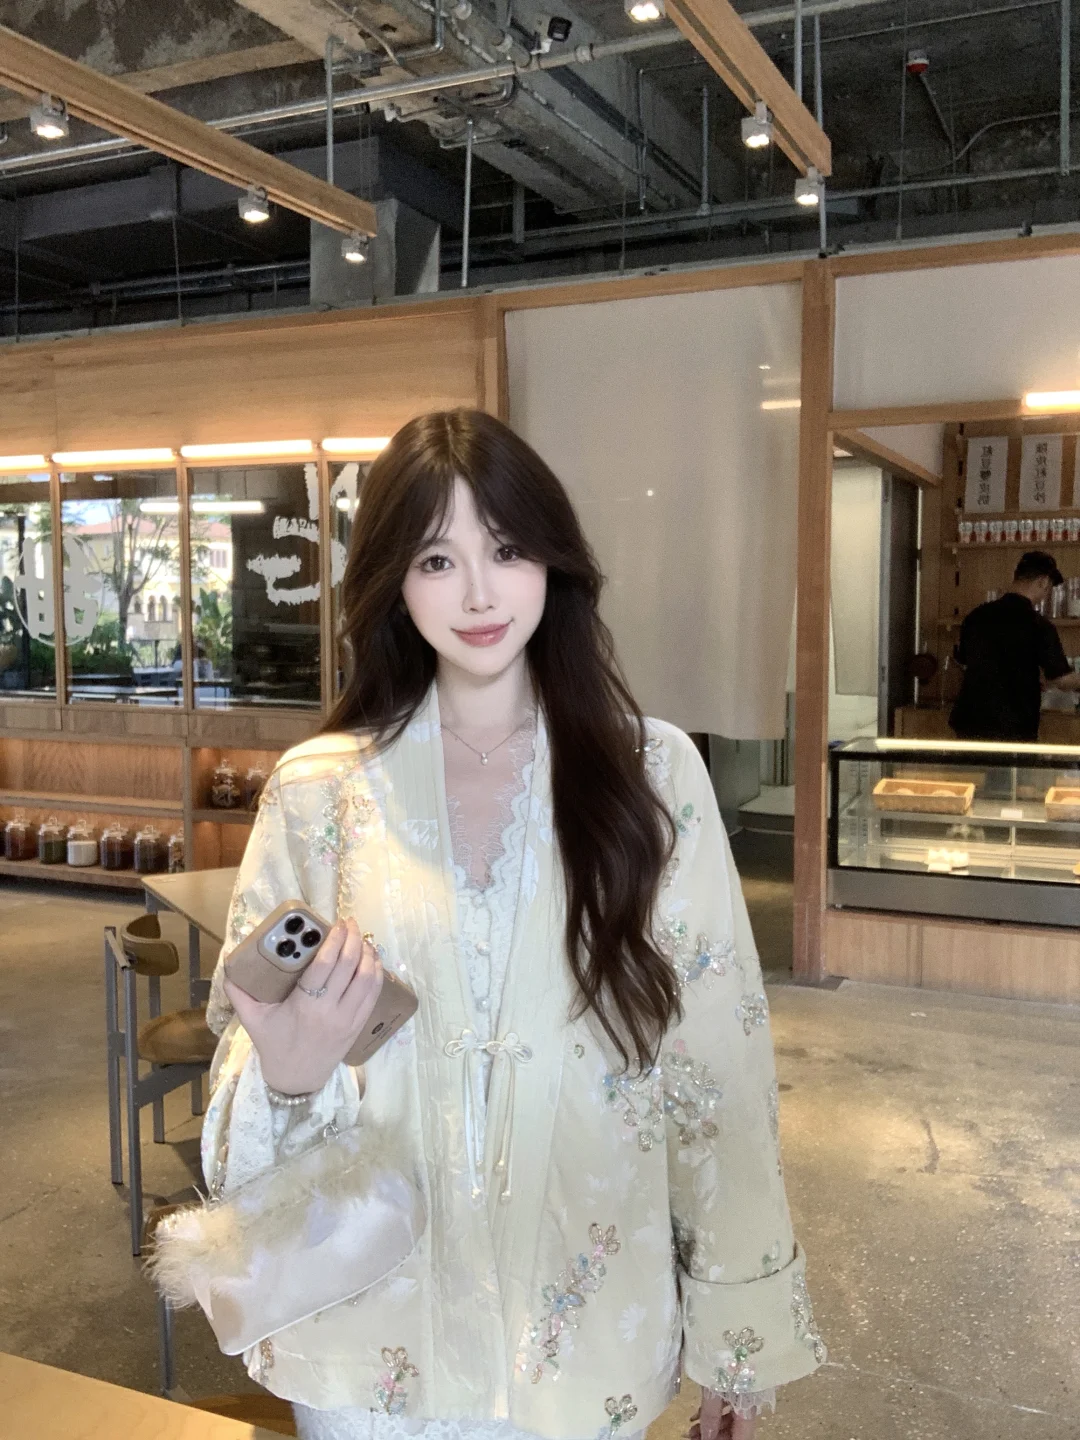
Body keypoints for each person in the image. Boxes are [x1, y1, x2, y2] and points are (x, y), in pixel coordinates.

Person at [202, 410, 825, 1440]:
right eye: (437, 560)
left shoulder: (652, 776)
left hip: (587, 1340)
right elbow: (244, 1061)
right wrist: (289, 1074)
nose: (480, 595)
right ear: (393, 582)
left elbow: (718, 1065)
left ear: (553, 562)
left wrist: (736, 1342)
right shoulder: (318, 793)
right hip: (375, 1346)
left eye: (506, 549)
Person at [950, 550, 1080, 742]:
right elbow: (1063, 680)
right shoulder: (1038, 625)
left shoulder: (976, 616)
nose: (1046, 594)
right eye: (1049, 588)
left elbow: (963, 662)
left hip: (969, 722)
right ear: (1043, 582)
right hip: (1012, 725)